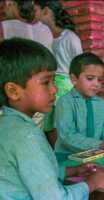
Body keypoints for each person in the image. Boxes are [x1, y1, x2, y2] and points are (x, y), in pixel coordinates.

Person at [0, 37, 104, 199]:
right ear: (13, 90)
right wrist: (91, 184)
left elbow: (31, 171)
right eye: (46, 82)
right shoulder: (27, 135)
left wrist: (70, 171)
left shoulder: (8, 125)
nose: (54, 89)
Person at [34, 0, 84, 147]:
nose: (34, 14)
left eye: (36, 10)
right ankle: (55, 156)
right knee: (48, 124)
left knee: (60, 125)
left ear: (46, 11)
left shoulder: (70, 38)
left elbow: (80, 66)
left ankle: (64, 157)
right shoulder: (49, 38)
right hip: (52, 83)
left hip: (66, 85)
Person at [0, 0, 53, 130]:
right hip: (39, 93)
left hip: (13, 97)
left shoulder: (4, 27)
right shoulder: (46, 29)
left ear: (9, 3)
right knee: (35, 132)